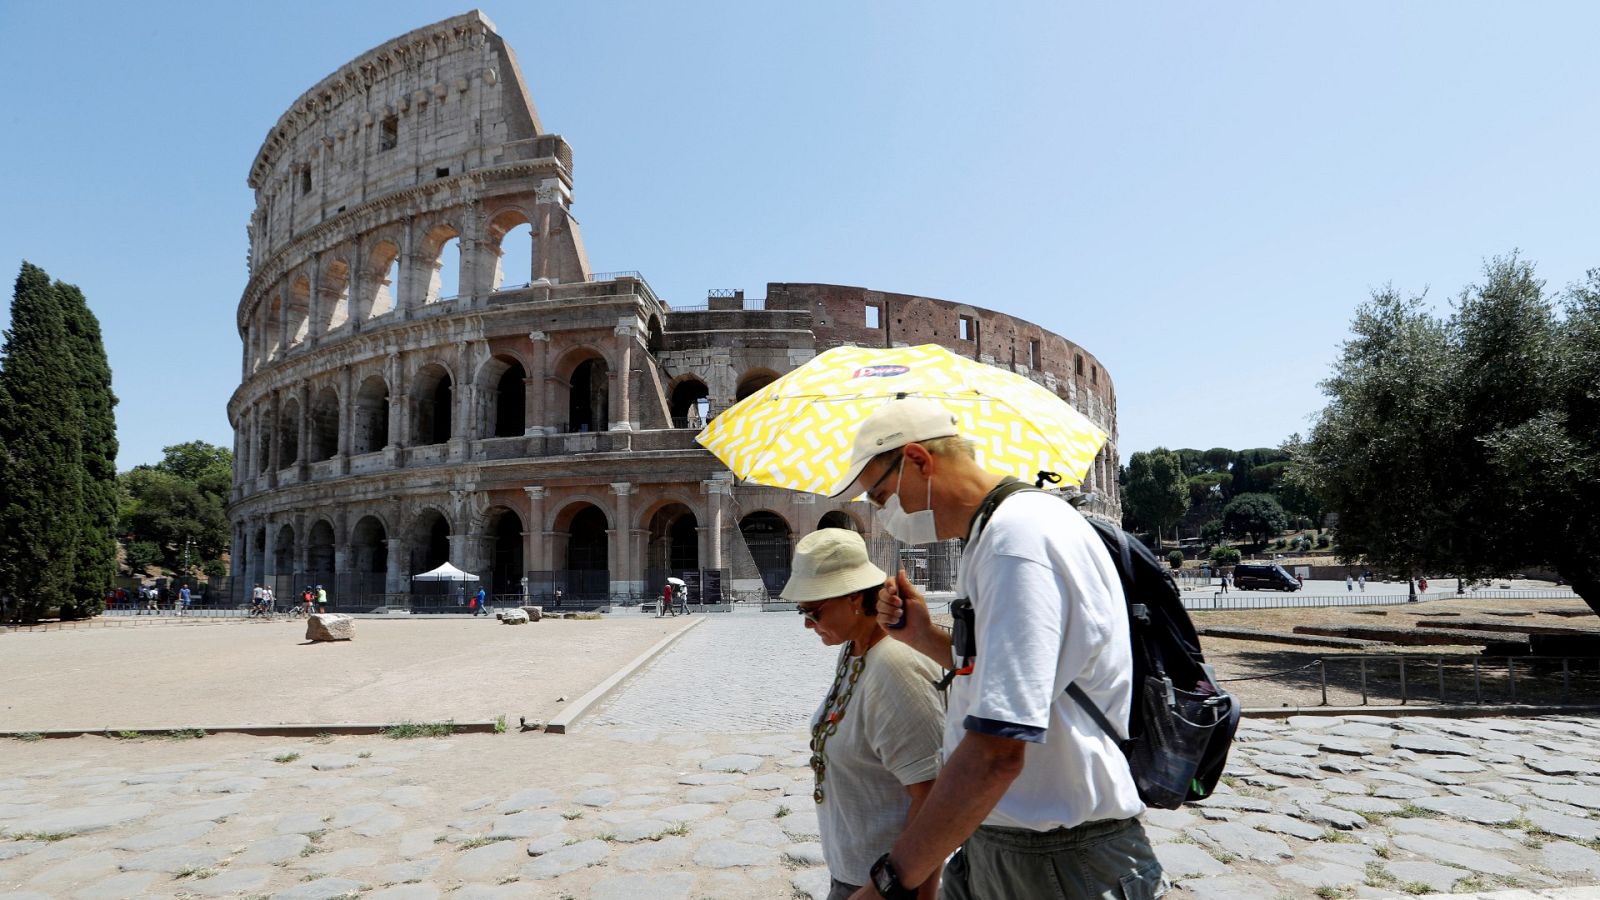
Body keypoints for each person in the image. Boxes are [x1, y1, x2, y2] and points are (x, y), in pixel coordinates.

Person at [827, 398, 1163, 900]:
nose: (883, 514)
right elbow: (1022, 682)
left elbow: (997, 755)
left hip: (1056, 862)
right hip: (1007, 842)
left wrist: (889, 882)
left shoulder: (1017, 541)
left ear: (918, 461)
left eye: (880, 496)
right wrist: (926, 640)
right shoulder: (996, 534)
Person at [785, 529, 945, 900]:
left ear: (854, 598)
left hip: (887, 885)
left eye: (813, 611)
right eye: (802, 611)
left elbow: (932, 796)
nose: (807, 624)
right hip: (855, 873)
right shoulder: (856, 649)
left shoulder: (895, 664)